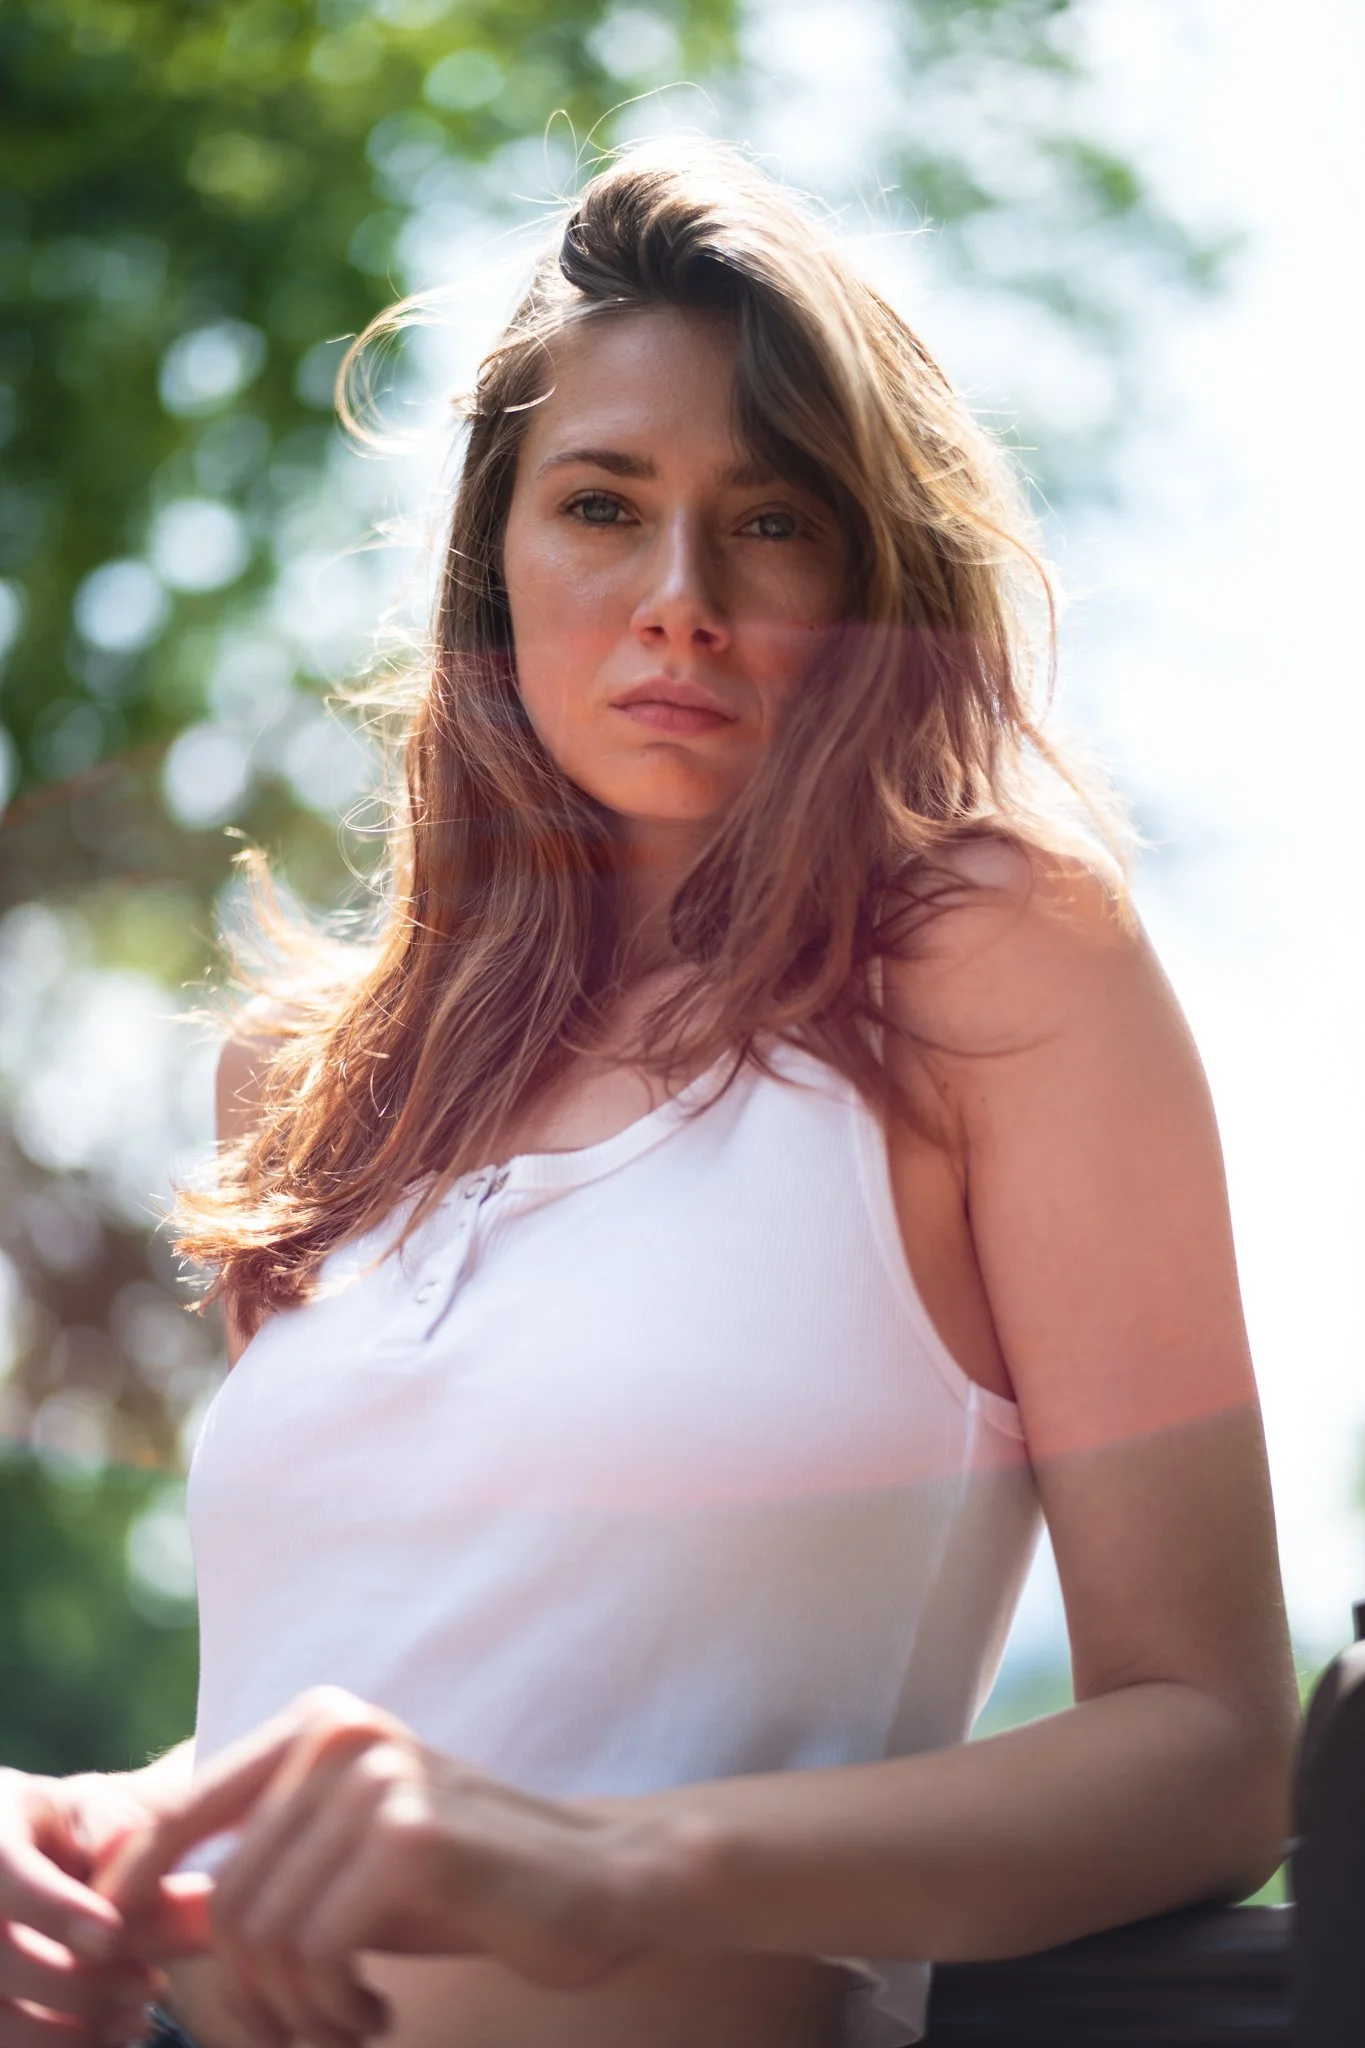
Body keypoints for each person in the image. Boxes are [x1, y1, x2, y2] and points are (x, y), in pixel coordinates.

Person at [0, 139, 1298, 2048]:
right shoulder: (318, 1077)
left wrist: (606, 1869)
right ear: (495, 560)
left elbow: (1209, 1753)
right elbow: (405, 1698)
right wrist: (86, 1831)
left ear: (867, 573)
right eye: (603, 504)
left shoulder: (985, 967)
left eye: (768, 523)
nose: (677, 595)